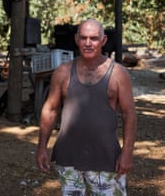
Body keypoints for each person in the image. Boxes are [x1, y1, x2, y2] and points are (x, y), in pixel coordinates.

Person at [36, 19, 137, 196]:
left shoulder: (118, 73)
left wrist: (127, 152)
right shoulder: (63, 72)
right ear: (76, 39)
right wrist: (42, 147)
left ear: (103, 40)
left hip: (106, 159)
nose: (88, 43)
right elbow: (50, 110)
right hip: (68, 159)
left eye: (94, 38)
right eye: (83, 38)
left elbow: (129, 114)